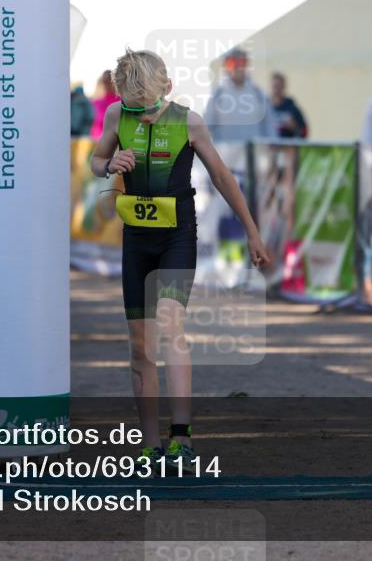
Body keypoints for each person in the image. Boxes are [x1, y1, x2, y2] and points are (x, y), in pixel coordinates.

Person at [90, 49, 270, 463]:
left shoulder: (188, 121)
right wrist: (107, 164)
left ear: (167, 89)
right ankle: (150, 444)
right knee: (140, 347)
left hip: (176, 239)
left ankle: (182, 438)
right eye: (137, 110)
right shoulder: (117, 116)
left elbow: (222, 177)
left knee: (171, 328)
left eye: (150, 107)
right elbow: (96, 159)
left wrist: (252, 232)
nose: (145, 116)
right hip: (136, 241)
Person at [204, 48, 275, 142]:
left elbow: (270, 126)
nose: (237, 67)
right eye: (232, 63)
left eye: (242, 62)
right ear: (226, 67)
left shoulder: (258, 93)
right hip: (225, 154)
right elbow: (207, 128)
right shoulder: (217, 94)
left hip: (253, 154)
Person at [269, 72, 308, 139]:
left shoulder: (291, 107)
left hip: (287, 146)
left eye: (279, 86)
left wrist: (294, 127)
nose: (277, 89)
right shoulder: (265, 107)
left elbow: (304, 131)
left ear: (284, 87)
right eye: (275, 86)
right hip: (269, 147)